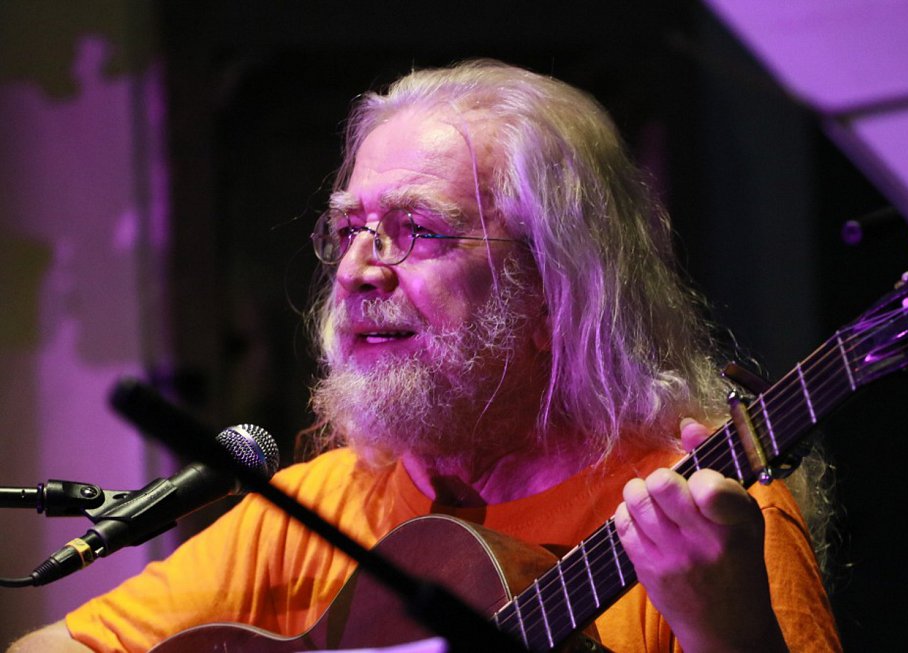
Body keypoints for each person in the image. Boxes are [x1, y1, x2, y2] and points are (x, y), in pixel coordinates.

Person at [9, 60, 839, 652]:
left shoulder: (704, 523)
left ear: (553, 285)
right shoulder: (319, 505)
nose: (356, 269)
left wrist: (727, 629)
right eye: (349, 228)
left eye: (418, 230)